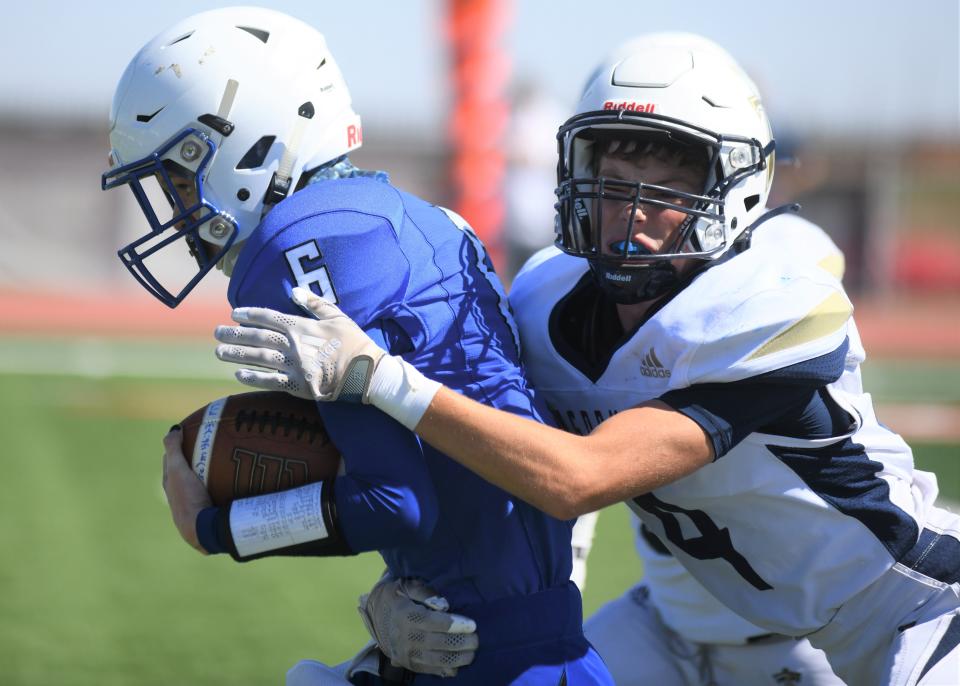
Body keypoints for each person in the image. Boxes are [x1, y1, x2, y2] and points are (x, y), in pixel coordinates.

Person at [214, 32, 960, 685]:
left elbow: (579, 477)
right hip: (676, 623)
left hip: (909, 610)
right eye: (612, 174)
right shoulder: (546, 299)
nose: (631, 208)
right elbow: (511, 473)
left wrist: (375, 377)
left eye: (670, 183)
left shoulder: (765, 305)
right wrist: (394, 600)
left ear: (737, 188)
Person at [101, 7, 612, 685]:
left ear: (241, 148)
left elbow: (396, 502)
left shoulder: (293, 248)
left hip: (484, 655)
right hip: (525, 628)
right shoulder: (420, 216)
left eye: (179, 178)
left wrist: (214, 529)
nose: (176, 210)